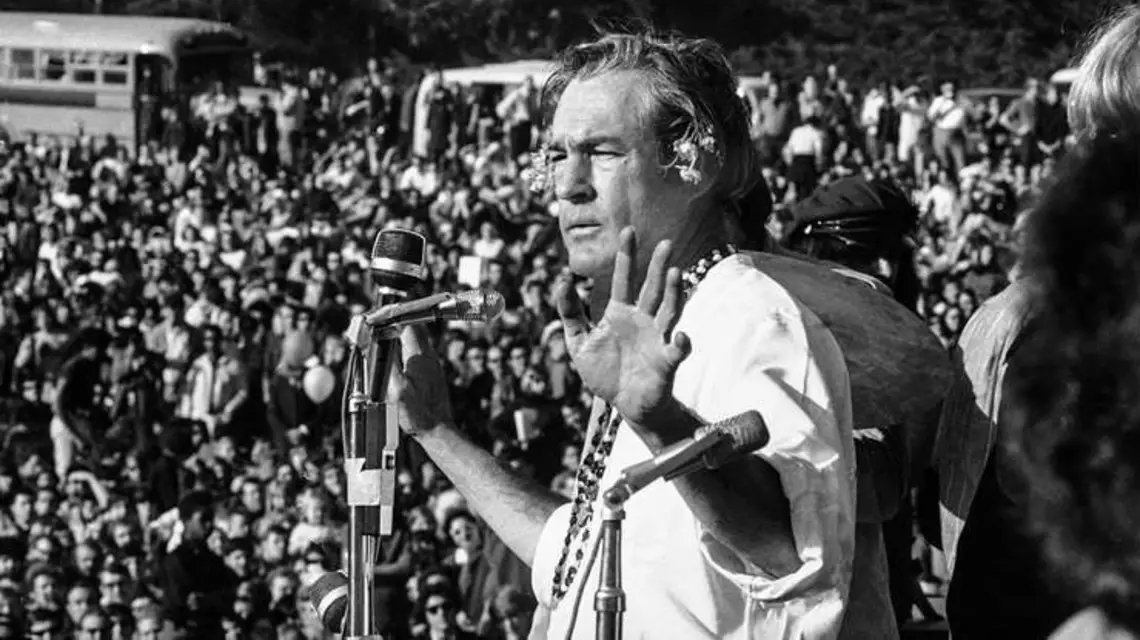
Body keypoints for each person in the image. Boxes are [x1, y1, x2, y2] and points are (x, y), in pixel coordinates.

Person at [393, 30, 859, 638]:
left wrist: (664, 421)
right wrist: (436, 432)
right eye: (557, 155)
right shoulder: (655, 321)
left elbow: (796, 555)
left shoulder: (753, 319)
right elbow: (574, 567)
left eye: (603, 153)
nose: (568, 185)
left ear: (695, 162)